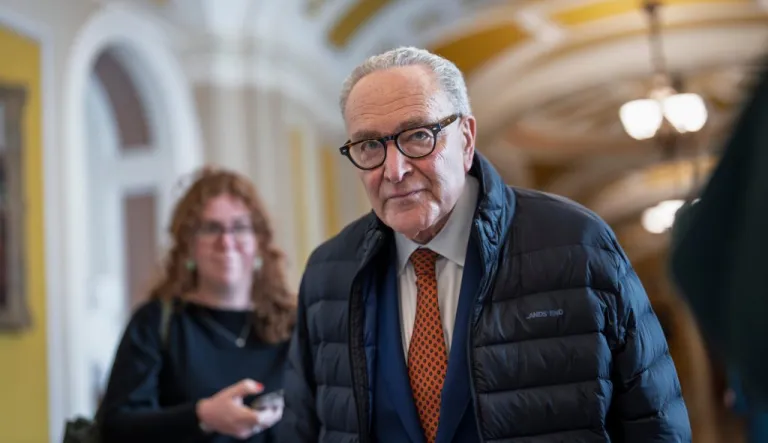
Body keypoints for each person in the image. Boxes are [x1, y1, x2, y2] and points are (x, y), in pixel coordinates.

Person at [279, 46, 691, 443]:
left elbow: (654, 422)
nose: (395, 169)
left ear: (466, 137)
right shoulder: (327, 274)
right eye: (370, 145)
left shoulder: (577, 244)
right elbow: (301, 429)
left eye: (419, 135)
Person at [98, 167, 295, 443]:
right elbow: (115, 427)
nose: (226, 241)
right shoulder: (156, 322)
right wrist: (202, 416)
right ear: (188, 245)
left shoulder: (294, 324)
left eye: (239, 227)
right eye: (211, 228)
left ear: (259, 243)